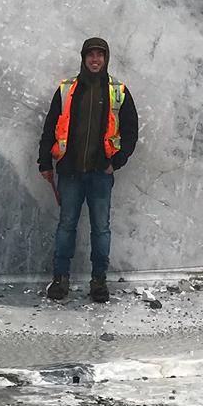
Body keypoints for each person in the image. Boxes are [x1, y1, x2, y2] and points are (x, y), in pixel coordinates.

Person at [38, 36, 138, 302]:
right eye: (91, 55)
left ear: (106, 59)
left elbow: (130, 131)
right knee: (66, 226)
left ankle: (98, 281)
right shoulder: (67, 89)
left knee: (101, 229)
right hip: (70, 172)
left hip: (100, 174)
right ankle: (60, 279)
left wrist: (116, 162)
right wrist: (45, 162)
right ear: (83, 58)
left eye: (100, 55)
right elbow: (50, 127)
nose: (95, 60)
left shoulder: (118, 91)